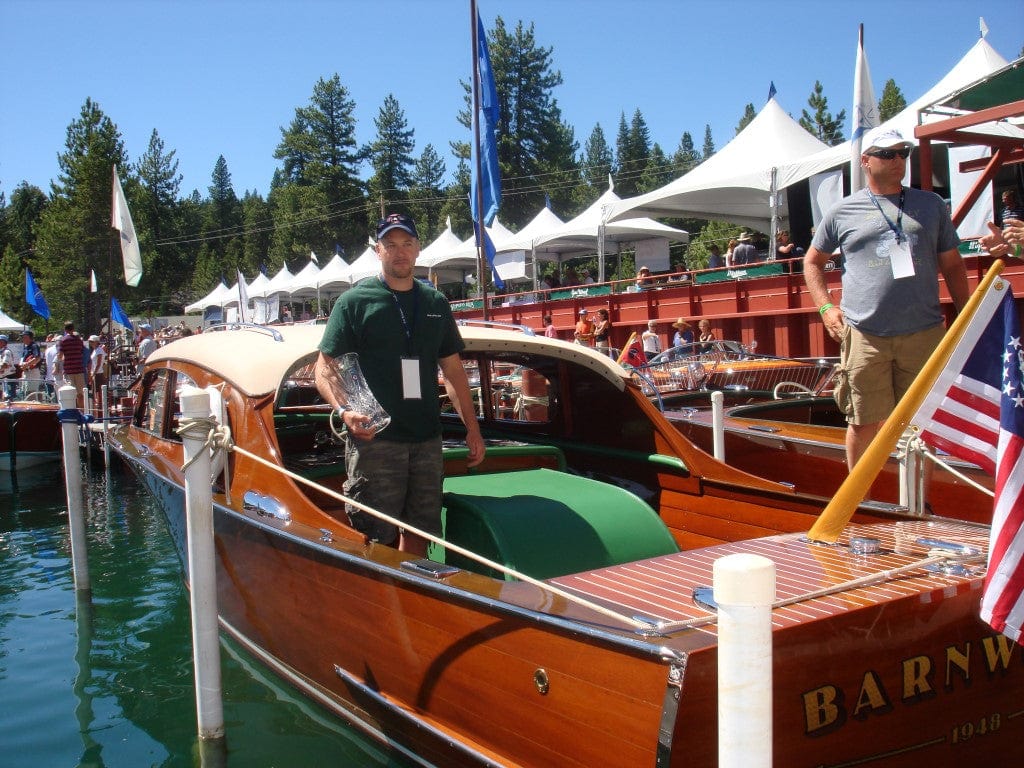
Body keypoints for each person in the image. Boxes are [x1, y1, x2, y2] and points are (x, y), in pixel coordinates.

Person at [313, 212, 485, 556]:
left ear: (418, 249)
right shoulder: (354, 302)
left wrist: (472, 428)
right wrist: (345, 411)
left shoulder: (435, 302)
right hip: (375, 441)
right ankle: (381, 601)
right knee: (376, 536)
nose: (399, 251)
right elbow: (324, 369)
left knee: (420, 531)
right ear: (378, 251)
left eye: (406, 243)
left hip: (426, 440)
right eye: (390, 245)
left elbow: (452, 371)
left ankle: (411, 597)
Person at [803, 127, 969, 471]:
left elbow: (952, 264)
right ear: (865, 161)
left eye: (903, 153)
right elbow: (813, 261)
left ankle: (921, 501)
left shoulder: (931, 205)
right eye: (888, 154)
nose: (899, 160)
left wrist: (966, 314)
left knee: (924, 423)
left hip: (923, 332)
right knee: (863, 422)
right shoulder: (842, 211)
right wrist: (825, 306)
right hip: (865, 334)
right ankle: (861, 504)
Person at [58, 321, 88, 409]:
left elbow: (60, 356)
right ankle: (81, 411)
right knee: (80, 394)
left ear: (65, 329)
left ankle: (73, 412)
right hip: (79, 369)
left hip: (69, 370)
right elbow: (82, 352)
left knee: (70, 393)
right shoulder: (79, 340)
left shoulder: (63, 341)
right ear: (73, 329)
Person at [19, 330, 44, 395]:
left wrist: (26, 364)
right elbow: (22, 360)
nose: (22, 339)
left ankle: (35, 404)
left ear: (29, 337)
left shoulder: (34, 346)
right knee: (25, 391)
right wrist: (22, 367)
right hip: (26, 372)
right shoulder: (25, 347)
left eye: (24, 337)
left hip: (33, 371)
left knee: (31, 392)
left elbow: (37, 358)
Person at [88, 335, 107, 411]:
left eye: (92, 341)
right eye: (90, 342)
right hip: (96, 373)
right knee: (96, 392)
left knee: (98, 392)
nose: (90, 343)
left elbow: (98, 364)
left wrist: (93, 373)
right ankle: (98, 408)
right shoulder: (96, 350)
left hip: (98, 373)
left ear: (96, 342)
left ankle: (100, 409)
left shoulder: (99, 350)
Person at [0, 335, 17, 399]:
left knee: (8, 397)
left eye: (0, 341)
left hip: (8, 377)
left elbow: (5, 365)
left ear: (5, 342)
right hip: (2, 377)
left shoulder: (6, 352)